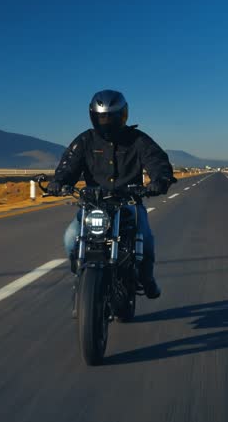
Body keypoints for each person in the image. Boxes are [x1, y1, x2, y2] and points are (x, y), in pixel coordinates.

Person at [47, 89, 174, 309]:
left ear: (122, 115)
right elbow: (68, 165)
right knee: (70, 237)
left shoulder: (138, 140)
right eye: (101, 116)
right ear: (93, 116)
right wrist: (59, 181)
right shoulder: (86, 140)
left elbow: (157, 161)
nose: (105, 121)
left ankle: (147, 279)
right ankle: (83, 277)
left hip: (129, 203)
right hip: (94, 205)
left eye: (111, 116)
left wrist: (160, 180)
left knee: (147, 241)